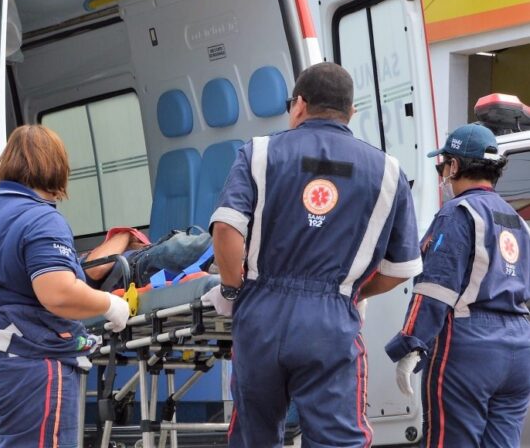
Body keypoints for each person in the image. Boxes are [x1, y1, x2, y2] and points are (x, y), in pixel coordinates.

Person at [202, 62, 423, 447]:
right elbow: (402, 268)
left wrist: (234, 289)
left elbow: (226, 228)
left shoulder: (259, 153)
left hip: (260, 313)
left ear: (299, 104)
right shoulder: (388, 171)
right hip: (331, 319)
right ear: (351, 113)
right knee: (338, 439)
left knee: (254, 435)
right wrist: (353, 291)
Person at [0, 125, 131, 448]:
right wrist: (109, 305)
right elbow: (57, 292)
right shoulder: (41, 219)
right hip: (25, 370)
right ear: (57, 167)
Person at [385, 123, 530, 447]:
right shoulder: (517, 220)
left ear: (454, 166)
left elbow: (435, 289)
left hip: (470, 349)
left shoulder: (458, 213)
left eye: (443, 165)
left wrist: (410, 344)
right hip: (520, 348)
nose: (443, 174)